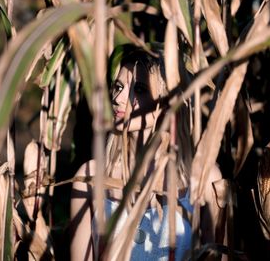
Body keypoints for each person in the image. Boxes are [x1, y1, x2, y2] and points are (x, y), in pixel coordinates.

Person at [70, 44, 222, 261]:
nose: (118, 99)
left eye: (139, 89)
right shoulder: (89, 177)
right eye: (119, 86)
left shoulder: (203, 178)